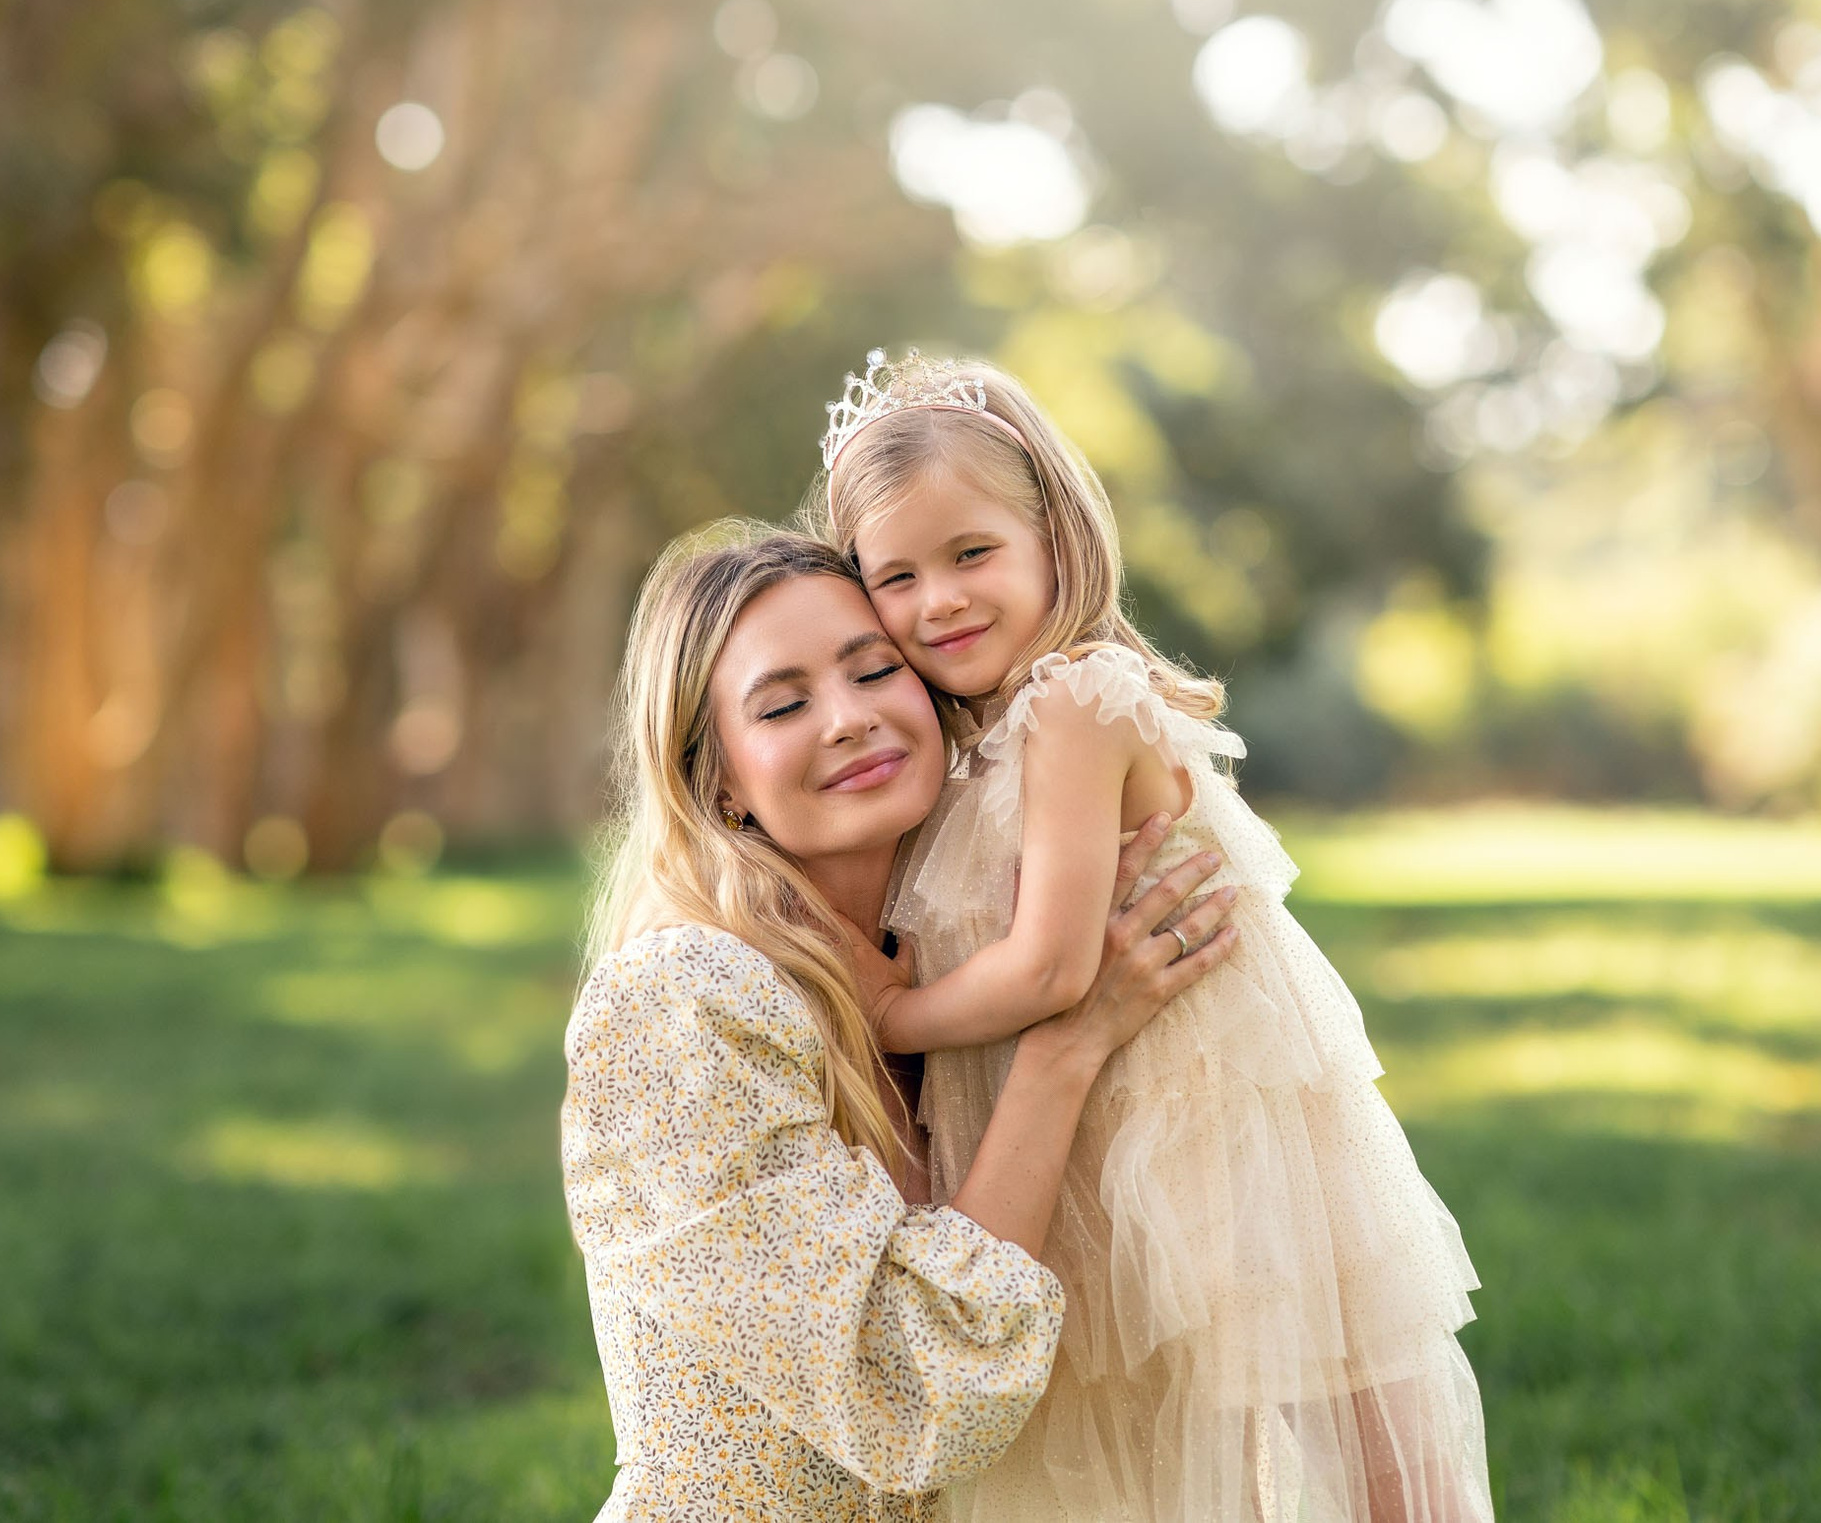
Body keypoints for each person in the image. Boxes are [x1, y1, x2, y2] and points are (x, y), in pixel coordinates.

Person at [819, 351, 1494, 1522]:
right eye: (897, 576)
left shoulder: (1075, 703)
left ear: (1053, 540)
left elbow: (1052, 964)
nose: (939, 601)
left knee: (1356, 1456)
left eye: (972, 553)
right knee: (1150, 1461)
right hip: (1091, 1143)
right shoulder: (970, 745)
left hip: (1202, 1133)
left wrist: (884, 1012)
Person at [562, 527, 1241, 1520]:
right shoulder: (684, 1000)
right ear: (716, 780)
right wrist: (1065, 1047)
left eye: (876, 670)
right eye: (783, 705)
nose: (849, 718)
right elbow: (917, 1397)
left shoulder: (959, 965)